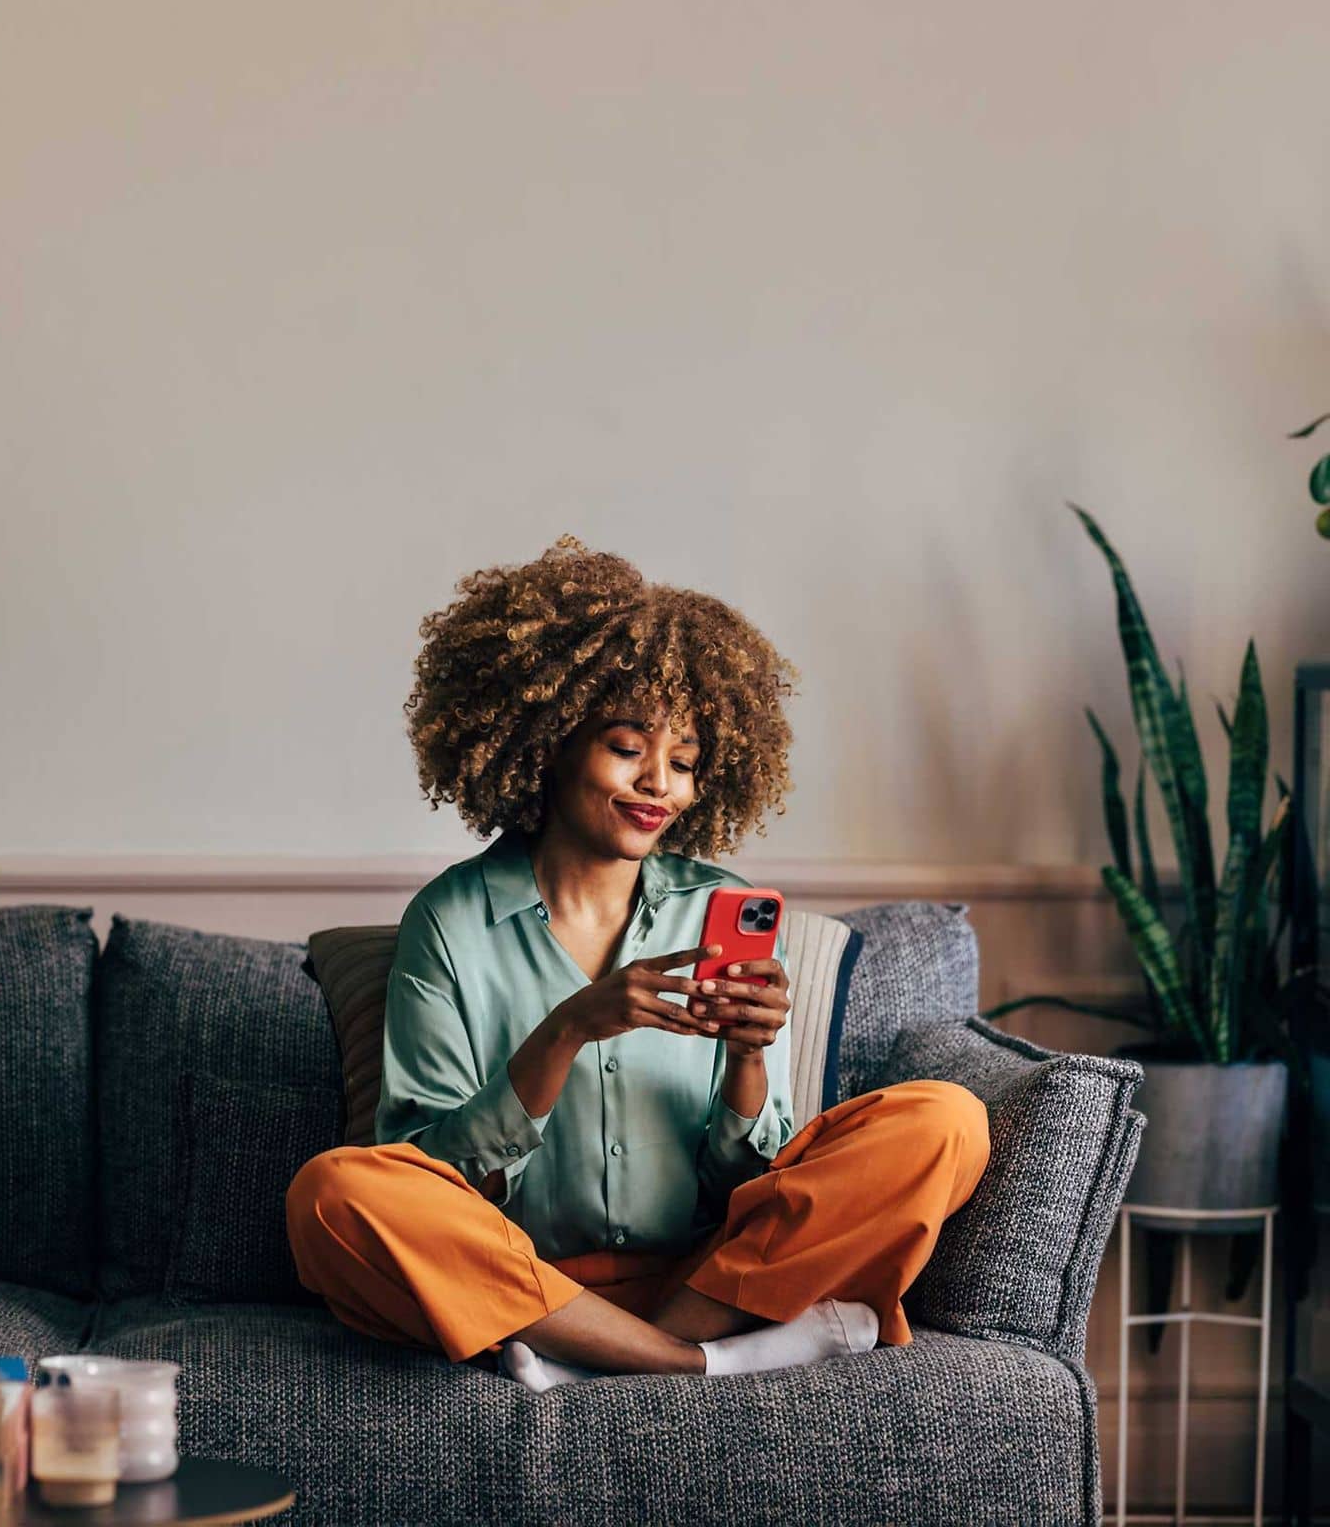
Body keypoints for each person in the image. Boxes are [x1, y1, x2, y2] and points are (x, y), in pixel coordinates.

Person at [286, 534, 990, 1390]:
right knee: (334, 1193)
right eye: (628, 748)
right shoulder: (452, 920)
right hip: (523, 1282)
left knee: (946, 1120)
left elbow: (758, 1186)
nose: (661, 783)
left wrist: (748, 1060)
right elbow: (429, 1172)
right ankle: (688, 1364)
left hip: (707, 1276)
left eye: (685, 763)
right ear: (549, 742)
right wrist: (570, 1028)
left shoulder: (717, 908)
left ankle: (609, 1359)